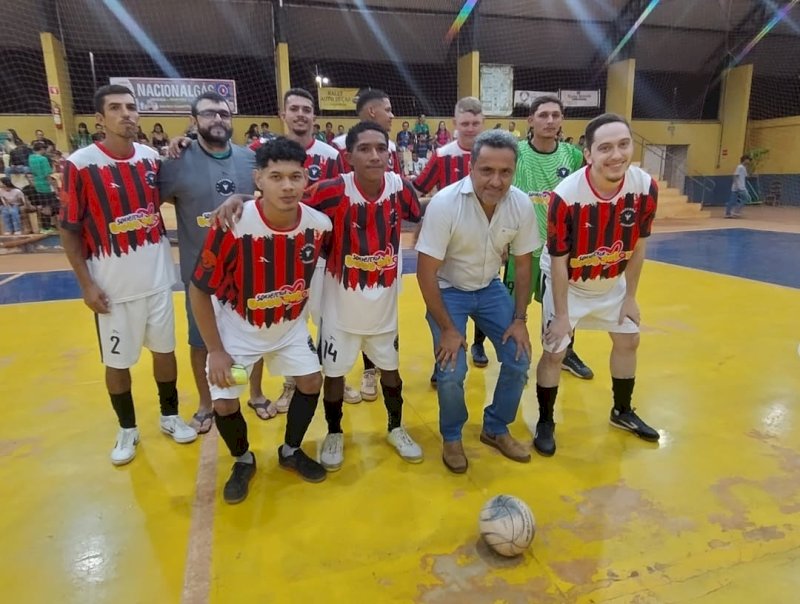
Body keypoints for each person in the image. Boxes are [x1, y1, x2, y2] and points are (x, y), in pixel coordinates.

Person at [60, 84, 197, 466]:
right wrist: (86, 284)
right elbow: (69, 230)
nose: (127, 114)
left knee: (165, 352)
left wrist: (181, 146)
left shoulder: (152, 159)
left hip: (157, 279)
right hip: (112, 287)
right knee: (117, 362)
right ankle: (128, 428)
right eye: (116, 108)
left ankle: (170, 415)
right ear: (99, 119)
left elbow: (180, 186)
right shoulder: (80, 164)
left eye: (131, 107)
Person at [190, 138, 332, 501]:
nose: (287, 186)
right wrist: (216, 351)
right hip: (239, 336)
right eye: (276, 177)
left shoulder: (319, 225)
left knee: (310, 381)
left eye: (295, 177)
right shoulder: (232, 225)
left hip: (289, 330)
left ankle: (291, 450)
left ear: (306, 179)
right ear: (258, 179)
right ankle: (243, 459)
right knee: (225, 402)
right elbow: (199, 290)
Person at [533, 113, 660, 458]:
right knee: (555, 350)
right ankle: (545, 420)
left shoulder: (645, 187)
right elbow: (558, 260)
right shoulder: (565, 196)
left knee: (629, 339)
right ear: (588, 154)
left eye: (623, 144)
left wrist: (630, 296)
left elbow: (639, 245)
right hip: (569, 281)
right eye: (605, 148)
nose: (616, 155)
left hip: (612, 278)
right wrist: (562, 316)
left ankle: (622, 411)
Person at [416, 129, 538, 473]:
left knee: (519, 358)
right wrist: (447, 328)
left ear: (514, 172)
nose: (496, 181)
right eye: (487, 170)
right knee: (451, 370)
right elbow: (426, 272)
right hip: (447, 290)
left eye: (505, 172)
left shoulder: (520, 204)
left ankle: (495, 427)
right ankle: (452, 436)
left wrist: (520, 319)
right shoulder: (445, 204)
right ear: (471, 168)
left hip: (489, 288)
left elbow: (523, 264)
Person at [307, 121, 422, 470]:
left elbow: (420, 214)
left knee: (391, 370)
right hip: (339, 305)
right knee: (334, 375)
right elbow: (287, 203)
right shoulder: (330, 191)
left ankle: (396, 427)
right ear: (349, 156)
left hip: (383, 305)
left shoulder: (400, 188)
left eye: (381, 148)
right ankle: (334, 432)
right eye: (365, 149)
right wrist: (239, 200)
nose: (374, 156)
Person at [159, 91, 271, 434]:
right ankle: (206, 403)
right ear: (194, 121)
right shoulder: (177, 161)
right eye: (209, 114)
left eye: (223, 113)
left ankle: (254, 393)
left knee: (253, 337)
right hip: (201, 274)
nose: (217, 119)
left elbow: (266, 198)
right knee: (200, 342)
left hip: (247, 271)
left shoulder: (249, 159)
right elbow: (156, 202)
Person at [261, 88, 359, 411]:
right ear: (283, 114)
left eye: (306, 109)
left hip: (321, 255)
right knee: (290, 321)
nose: (301, 114)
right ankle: (291, 384)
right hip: (280, 255)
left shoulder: (331, 155)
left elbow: (341, 202)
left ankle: (336, 378)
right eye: (294, 109)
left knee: (329, 319)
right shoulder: (267, 152)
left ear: (314, 116)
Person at [504, 95, 594, 381]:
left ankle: (566, 353)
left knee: (562, 305)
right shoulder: (515, 153)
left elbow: (583, 196)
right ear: (530, 120)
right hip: (522, 248)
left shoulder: (573, 155)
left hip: (560, 251)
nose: (550, 121)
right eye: (543, 115)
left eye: (556, 115)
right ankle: (509, 355)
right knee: (511, 308)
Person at [331, 88, 401, 400]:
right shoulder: (338, 148)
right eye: (388, 109)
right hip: (345, 254)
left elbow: (403, 194)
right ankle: (345, 375)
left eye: (380, 150)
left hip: (383, 251)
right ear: (372, 111)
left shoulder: (392, 149)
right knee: (344, 319)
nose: (392, 115)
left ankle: (373, 370)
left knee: (380, 317)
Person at [412, 97, 488, 381]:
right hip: (447, 240)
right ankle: (442, 357)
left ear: (483, 123)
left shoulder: (493, 153)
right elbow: (418, 189)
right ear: (455, 123)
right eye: (465, 123)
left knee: (484, 290)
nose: (470, 128)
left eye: (475, 123)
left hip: (486, 237)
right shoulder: (443, 155)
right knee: (443, 297)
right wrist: (423, 220)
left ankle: (478, 344)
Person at [28, 141, 58, 232]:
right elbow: (47, 174)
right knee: (48, 206)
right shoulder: (43, 159)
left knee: (44, 205)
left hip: (37, 185)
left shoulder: (31, 158)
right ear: (41, 149)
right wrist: (54, 187)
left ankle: (47, 226)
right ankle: (47, 227)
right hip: (46, 186)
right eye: (45, 149)